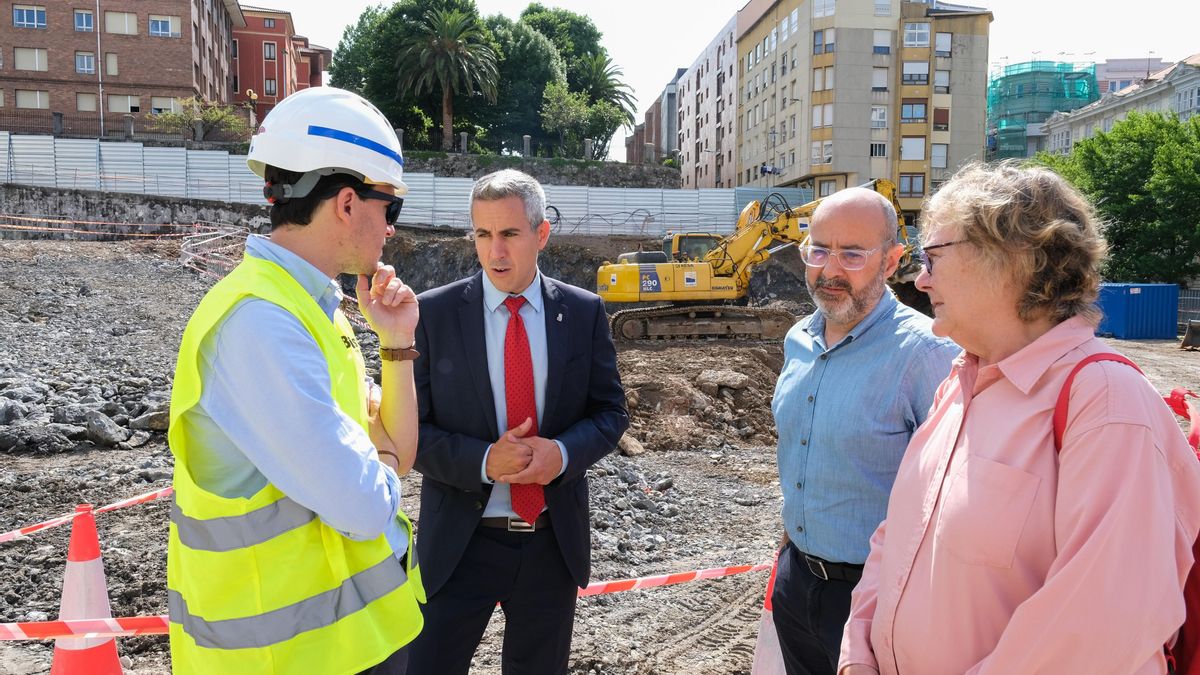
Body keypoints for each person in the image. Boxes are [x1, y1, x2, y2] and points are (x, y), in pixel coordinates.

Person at [839, 162, 1200, 675]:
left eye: (933, 257)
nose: (920, 278)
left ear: (1013, 258)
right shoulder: (959, 385)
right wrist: (857, 653)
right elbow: (896, 537)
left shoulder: (1104, 401)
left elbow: (1098, 631)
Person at [166, 87, 424, 675]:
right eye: (391, 208)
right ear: (348, 203)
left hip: (351, 643)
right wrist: (378, 460)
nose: (389, 230)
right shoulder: (259, 322)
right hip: (282, 658)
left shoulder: (316, 309)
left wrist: (395, 341)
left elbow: (399, 453)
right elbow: (363, 505)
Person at [408, 169, 628, 674]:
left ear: (541, 233)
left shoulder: (582, 312)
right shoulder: (432, 315)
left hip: (550, 544)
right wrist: (485, 460)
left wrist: (563, 454)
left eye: (509, 234)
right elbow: (411, 431)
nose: (495, 251)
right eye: (483, 234)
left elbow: (610, 412)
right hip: (460, 544)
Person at [771, 186, 959, 675]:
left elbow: (954, 497)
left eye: (853, 254)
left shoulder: (926, 354)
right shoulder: (797, 340)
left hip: (877, 598)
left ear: (893, 261)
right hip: (796, 580)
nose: (830, 270)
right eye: (819, 249)